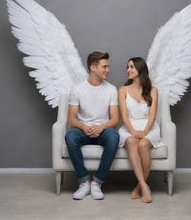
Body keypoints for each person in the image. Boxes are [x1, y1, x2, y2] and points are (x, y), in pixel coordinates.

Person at [65, 51, 119, 200]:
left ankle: (97, 182)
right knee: (70, 136)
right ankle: (84, 182)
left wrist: (101, 127)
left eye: (108, 66)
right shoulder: (78, 89)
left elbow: (115, 119)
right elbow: (71, 118)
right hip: (83, 131)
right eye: (104, 66)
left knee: (114, 136)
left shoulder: (111, 89)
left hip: (103, 132)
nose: (108, 70)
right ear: (93, 68)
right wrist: (84, 127)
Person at [118, 57, 161, 203]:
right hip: (129, 127)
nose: (128, 70)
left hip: (149, 128)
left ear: (140, 69)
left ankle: (138, 187)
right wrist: (133, 131)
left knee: (143, 145)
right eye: (127, 67)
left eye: (131, 67)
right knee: (131, 142)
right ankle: (144, 186)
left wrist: (145, 131)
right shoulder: (122, 90)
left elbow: (152, 116)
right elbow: (124, 116)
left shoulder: (153, 91)